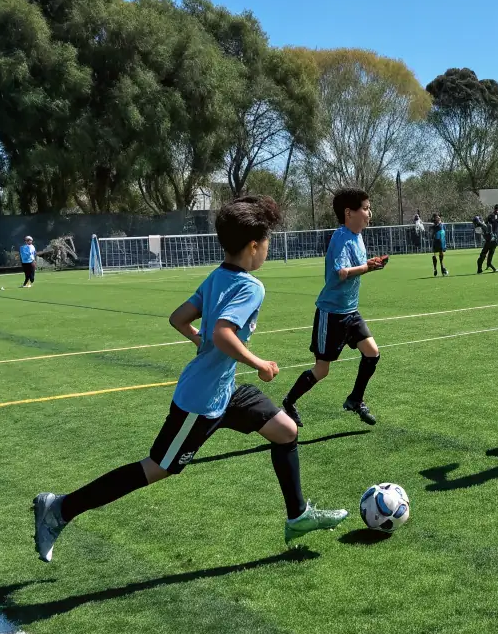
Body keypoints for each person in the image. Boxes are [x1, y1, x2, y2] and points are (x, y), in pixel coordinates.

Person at [32, 195, 348, 564]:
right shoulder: (251, 287)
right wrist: (258, 362)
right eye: (267, 243)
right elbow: (223, 334)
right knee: (157, 468)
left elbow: (179, 318)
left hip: (224, 391)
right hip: (201, 401)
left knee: (286, 430)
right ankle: (60, 508)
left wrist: (205, 344)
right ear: (252, 246)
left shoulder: (217, 277)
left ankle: (297, 515)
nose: (267, 249)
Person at [282, 188, 387, 429]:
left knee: (372, 353)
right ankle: (289, 402)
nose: (370, 213)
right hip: (331, 314)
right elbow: (341, 273)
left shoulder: (358, 235)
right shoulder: (341, 236)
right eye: (366, 208)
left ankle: (355, 399)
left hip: (351, 311)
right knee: (322, 369)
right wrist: (368, 268)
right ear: (348, 213)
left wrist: (371, 265)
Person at [477, 204, 498, 273]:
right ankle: (488, 264)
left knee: (485, 252)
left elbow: (486, 223)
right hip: (493, 237)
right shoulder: (497, 216)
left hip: (489, 237)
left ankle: (482, 267)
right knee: (490, 251)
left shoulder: (490, 216)